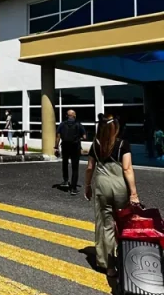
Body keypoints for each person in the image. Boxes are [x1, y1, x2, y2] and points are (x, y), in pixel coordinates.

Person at [84, 114, 140, 277]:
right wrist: (134, 193)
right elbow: (127, 169)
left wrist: (87, 186)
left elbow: (89, 167)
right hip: (119, 186)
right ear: (115, 127)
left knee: (106, 225)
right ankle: (127, 259)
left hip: (102, 186)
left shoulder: (96, 144)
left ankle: (108, 266)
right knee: (123, 223)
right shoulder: (123, 143)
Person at [55, 109, 86, 195]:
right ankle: (73, 188)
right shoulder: (79, 124)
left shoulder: (62, 124)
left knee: (65, 163)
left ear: (66, 116)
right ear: (74, 116)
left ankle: (65, 180)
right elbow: (84, 136)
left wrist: (56, 147)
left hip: (65, 147)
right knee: (75, 168)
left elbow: (58, 136)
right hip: (75, 147)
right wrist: (78, 138)